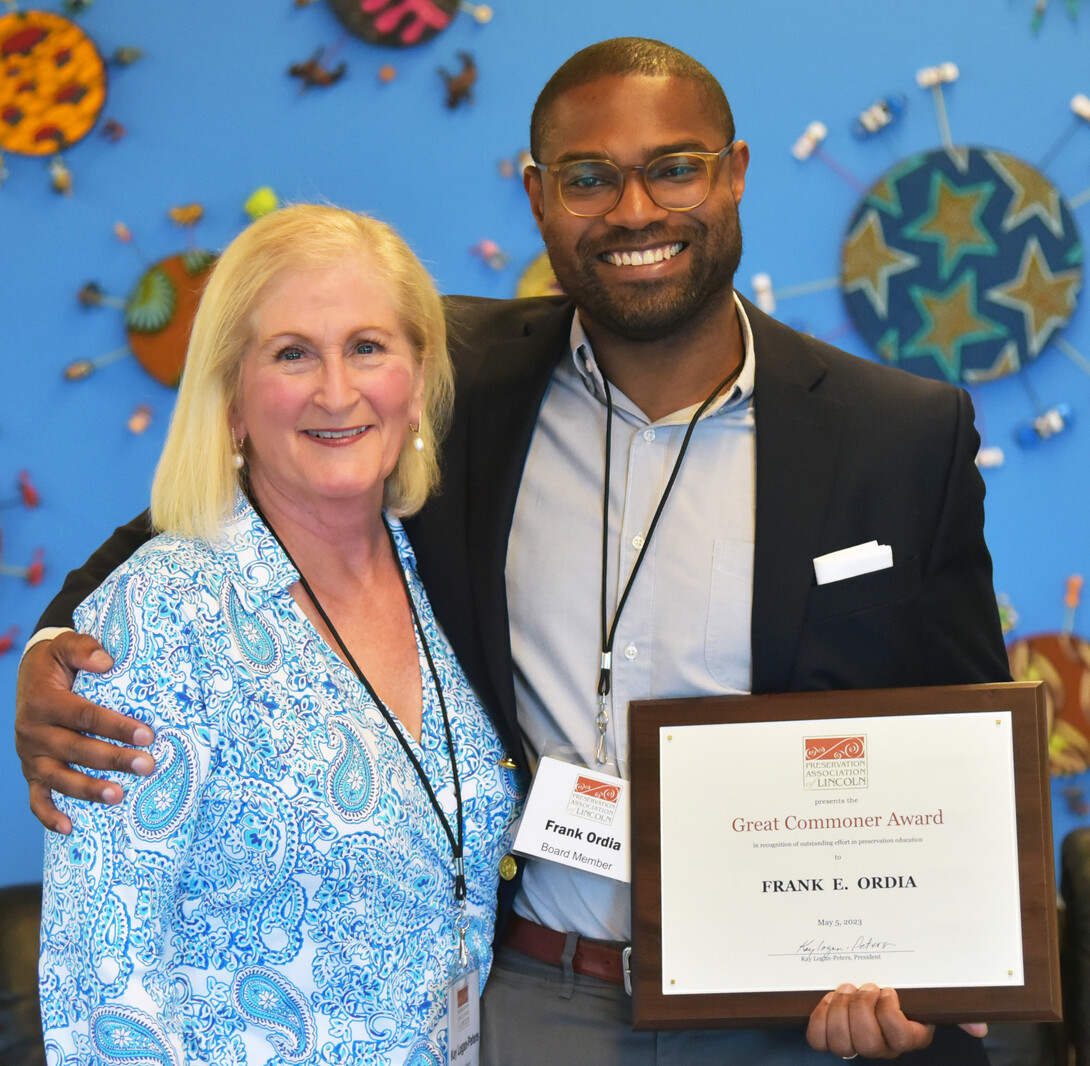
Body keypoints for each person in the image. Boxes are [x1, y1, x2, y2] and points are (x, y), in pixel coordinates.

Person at [16, 38, 1008, 1064]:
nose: (633, 212)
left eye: (673, 166)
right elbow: (228, 503)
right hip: (532, 997)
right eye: (587, 178)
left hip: (793, 1014)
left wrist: (929, 973)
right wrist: (63, 644)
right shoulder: (444, 377)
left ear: (735, 172)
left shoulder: (897, 432)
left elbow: (965, 733)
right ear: (537, 197)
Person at [34, 203, 521, 1065]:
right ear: (229, 397)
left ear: (418, 378)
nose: (337, 390)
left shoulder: (434, 572)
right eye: (292, 353)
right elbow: (102, 975)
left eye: (368, 347)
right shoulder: (162, 612)